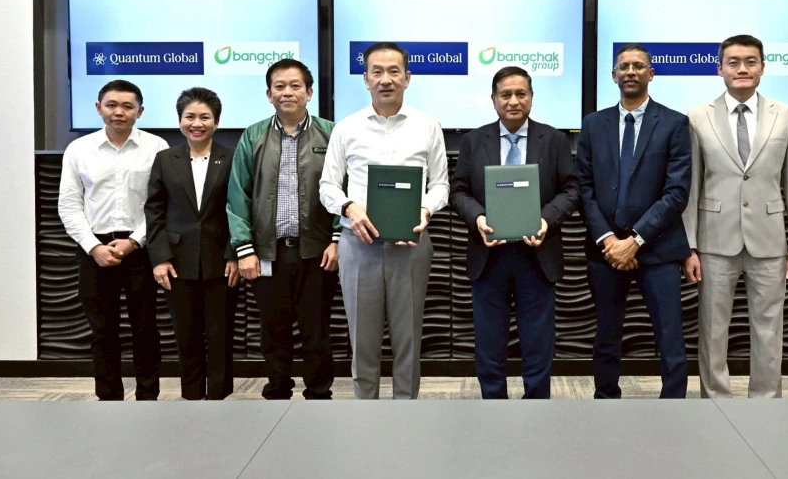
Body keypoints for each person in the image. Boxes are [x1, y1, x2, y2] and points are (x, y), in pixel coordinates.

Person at [682, 35, 788, 399]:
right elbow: (691, 187)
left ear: (762, 68)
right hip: (713, 240)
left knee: (769, 328)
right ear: (719, 68)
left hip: (769, 241)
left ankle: (766, 402)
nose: (742, 68)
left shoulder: (786, 115)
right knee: (712, 329)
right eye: (734, 62)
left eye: (751, 61)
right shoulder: (697, 117)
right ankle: (716, 401)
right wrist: (689, 246)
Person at [320, 41, 449, 400]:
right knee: (362, 341)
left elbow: (441, 184)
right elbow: (327, 185)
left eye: (394, 71)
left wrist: (424, 210)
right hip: (358, 246)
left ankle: (406, 415)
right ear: (366, 79)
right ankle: (366, 415)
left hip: (411, 245)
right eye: (377, 72)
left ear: (408, 77)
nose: (385, 79)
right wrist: (349, 207)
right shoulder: (346, 128)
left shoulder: (428, 126)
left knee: (409, 340)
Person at [449, 66, 579, 399]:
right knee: (489, 341)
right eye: (505, 94)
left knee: (537, 341)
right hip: (488, 255)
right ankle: (493, 406)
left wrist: (545, 220)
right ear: (493, 99)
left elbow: (571, 190)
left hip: (537, 255)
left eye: (521, 93)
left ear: (531, 98)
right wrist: (478, 217)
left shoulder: (554, 139)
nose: (513, 101)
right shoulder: (473, 141)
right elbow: (458, 191)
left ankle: (536, 406)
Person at [576, 43, 692, 399]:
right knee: (606, 334)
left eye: (638, 66)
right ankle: (606, 399)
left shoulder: (674, 123)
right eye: (624, 66)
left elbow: (676, 192)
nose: (630, 72)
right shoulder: (593, 124)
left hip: (658, 250)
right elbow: (584, 188)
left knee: (669, 335)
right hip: (606, 252)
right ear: (614, 75)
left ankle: (673, 405)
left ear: (651, 74)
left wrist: (636, 240)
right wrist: (610, 240)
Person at [227, 59, 340, 400]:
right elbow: (238, 194)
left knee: (316, 328)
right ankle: (277, 391)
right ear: (269, 94)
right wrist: (244, 248)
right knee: (273, 329)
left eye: (295, 86)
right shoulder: (253, 135)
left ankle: (319, 393)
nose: (287, 92)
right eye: (279, 86)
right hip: (267, 252)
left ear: (309, 92)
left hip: (318, 251)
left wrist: (337, 239)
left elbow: (347, 188)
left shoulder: (332, 133)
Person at [58, 80, 168, 401]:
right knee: (102, 332)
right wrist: (93, 246)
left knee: (145, 329)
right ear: (98, 108)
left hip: (141, 250)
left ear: (140, 111)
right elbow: (69, 204)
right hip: (94, 250)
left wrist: (134, 241)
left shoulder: (157, 147)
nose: (119, 112)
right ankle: (108, 400)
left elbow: (162, 203)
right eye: (111, 105)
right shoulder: (79, 149)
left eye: (127, 106)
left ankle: (148, 397)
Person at [145, 88, 238, 400]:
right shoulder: (165, 159)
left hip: (222, 260)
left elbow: (241, 208)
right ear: (180, 121)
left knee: (221, 333)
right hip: (177, 261)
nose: (197, 124)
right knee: (186, 335)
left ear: (217, 122)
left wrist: (235, 253)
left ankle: (220, 397)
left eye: (205, 117)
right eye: (190, 117)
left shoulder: (232, 157)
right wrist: (159, 257)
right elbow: (154, 211)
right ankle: (192, 397)